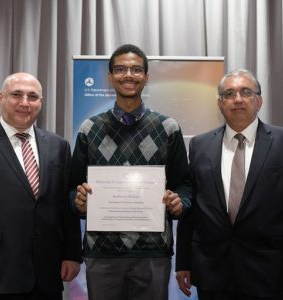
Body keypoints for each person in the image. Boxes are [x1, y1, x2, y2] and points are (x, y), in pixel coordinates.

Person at [70, 44, 193, 300]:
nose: (129, 75)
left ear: (146, 77)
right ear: (110, 76)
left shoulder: (168, 128)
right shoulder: (89, 128)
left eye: (136, 69)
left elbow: (185, 185)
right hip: (101, 253)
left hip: (153, 253)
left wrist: (180, 203)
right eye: (121, 69)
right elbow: (72, 188)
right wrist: (78, 201)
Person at [176, 68, 283, 299]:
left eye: (246, 92)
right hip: (212, 273)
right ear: (220, 103)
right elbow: (192, 212)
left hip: (269, 272)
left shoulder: (282, 143)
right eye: (229, 94)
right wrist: (183, 262)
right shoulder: (199, 146)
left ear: (259, 101)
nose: (237, 99)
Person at [0, 72, 82, 299]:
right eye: (16, 95)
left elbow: (66, 207)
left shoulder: (58, 145)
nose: (25, 103)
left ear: (41, 102)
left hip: (47, 271)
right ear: (0, 97)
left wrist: (72, 254)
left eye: (32, 96)